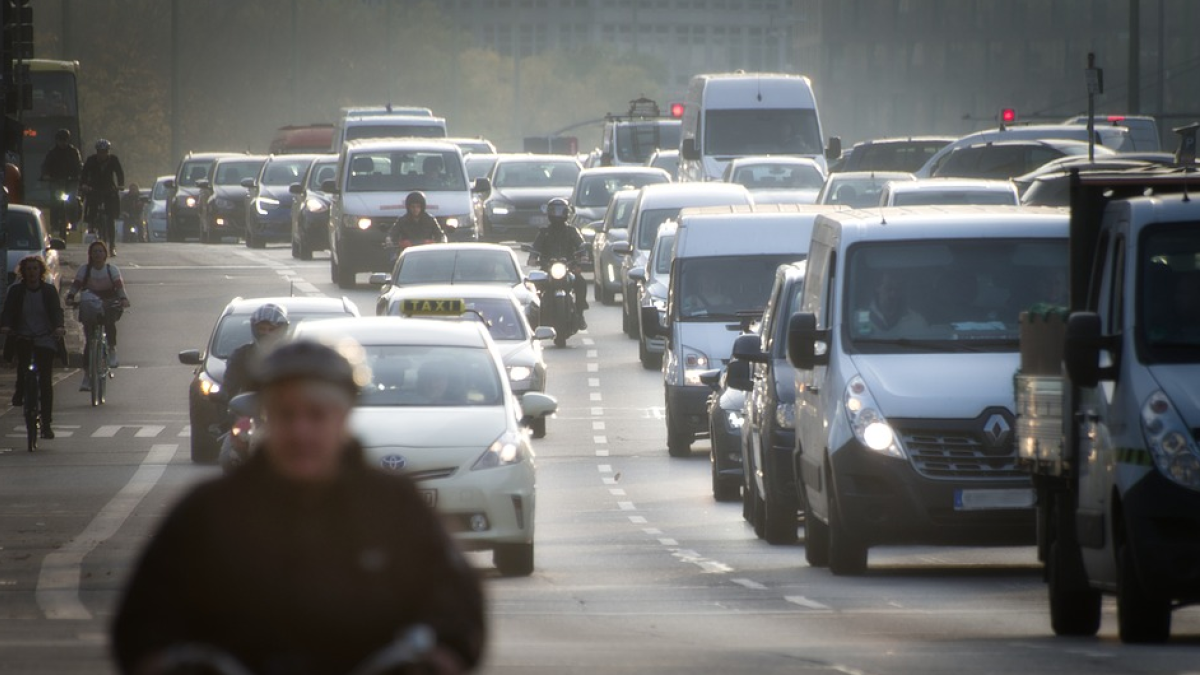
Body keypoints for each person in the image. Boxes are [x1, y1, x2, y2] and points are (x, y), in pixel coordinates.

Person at [111, 339, 486, 675]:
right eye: (287, 414)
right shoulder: (208, 511)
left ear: (343, 419)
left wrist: (440, 654)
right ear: (266, 419)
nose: (301, 431)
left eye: (317, 414)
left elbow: (456, 607)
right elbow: (143, 617)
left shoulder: (395, 507)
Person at [0, 256, 67, 439]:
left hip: (45, 338)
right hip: (23, 336)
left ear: (41, 271)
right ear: (23, 272)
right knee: (23, 367)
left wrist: (59, 327)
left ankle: (46, 423)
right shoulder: (16, 291)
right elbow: (8, 311)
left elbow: (56, 311)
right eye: (28, 269)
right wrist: (6, 326)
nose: (32, 272)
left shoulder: (48, 291)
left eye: (35, 268)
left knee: (45, 380)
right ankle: (20, 390)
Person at [65, 241, 130, 390]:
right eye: (95, 251)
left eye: (101, 251)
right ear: (90, 254)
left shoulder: (111, 269)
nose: (98, 254)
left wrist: (123, 299)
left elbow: (119, 287)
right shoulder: (84, 269)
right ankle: (87, 376)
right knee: (89, 341)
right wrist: (70, 296)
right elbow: (76, 285)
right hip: (90, 303)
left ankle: (112, 350)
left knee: (109, 322)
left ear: (105, 254)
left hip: (109, 302)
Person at [529, 197, 589, 330]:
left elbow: (581, 245)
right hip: (547, 269)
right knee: (534, 286)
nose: (557, 214)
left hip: (568, 267)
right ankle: (536, 317)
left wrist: (583, 257)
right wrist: (533, 257)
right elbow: (535, 248)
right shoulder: (544, 232)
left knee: (581, 283)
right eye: (554, 211)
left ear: (566, 213)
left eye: (560, 211)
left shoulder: (572, 231)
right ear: (549, 213)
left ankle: (580, 313)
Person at [222, 303, 290, 408]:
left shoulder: (293, 355)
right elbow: (229, 385)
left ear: (282, 330)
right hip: (248, 413)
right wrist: (224, 395)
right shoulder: (241, 355)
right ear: (254, 329)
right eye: (262, 329)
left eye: (271, 329)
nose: (266, 333)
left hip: (285, 412)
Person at [79, 139, 125, 254]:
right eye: (100, 151)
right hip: (94, 188)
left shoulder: (113, 160)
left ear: (108, 152)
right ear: (97, 151)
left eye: (105, 151)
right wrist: (84, 185)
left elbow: (119, 173)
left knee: (110, 217)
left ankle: (112, 245)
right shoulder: (91, 160)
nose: (102, 154)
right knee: (91, 205)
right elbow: (84, 174)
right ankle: (91, 222)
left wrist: (120, 185)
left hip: (109, 188)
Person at [40, 129, 82, 238]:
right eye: (60, 140)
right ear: (57, 141)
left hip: (71, 181)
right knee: (54, 201)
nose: (62, 143)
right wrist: (45, 175)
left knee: (72, 200)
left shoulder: (73, 152)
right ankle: (54, 224)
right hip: (56, 181)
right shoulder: (52, 152)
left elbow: (78, 165)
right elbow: (45, 166)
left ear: (68, 140)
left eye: (64, 140)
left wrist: (79, 175)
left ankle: (73, 222)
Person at [862, 270, 926, 337]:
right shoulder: (859, 319)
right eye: (888, 288)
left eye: (898, 289)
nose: (893, 294)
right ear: (877, 287)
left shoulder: (917, 322)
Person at [385, 192, 447, 256]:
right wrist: (391, 241)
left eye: (418, 207)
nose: (415, 209)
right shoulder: (402, 220)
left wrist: (440, 242)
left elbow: (440, 236)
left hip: (427, 253)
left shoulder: (430, 219)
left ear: (422, 207)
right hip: (407, 253)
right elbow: (392, 234)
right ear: (408, 207)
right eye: (413, 207)